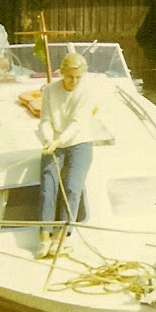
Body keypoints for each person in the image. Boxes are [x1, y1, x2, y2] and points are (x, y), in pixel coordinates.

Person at [37, 52, 96, 259]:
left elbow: (78, 123)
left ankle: (60, 238)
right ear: (62, 73)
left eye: (79, 77)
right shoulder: (50, 91)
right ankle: (44, 237)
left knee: (72, 186)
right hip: (53, 143)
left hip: (79, 143)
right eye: (70, 76)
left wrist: (59, 141)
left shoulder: (86, 92)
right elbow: (45, 120)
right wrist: (48, 139)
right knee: (48, 184)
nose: (74, 81)